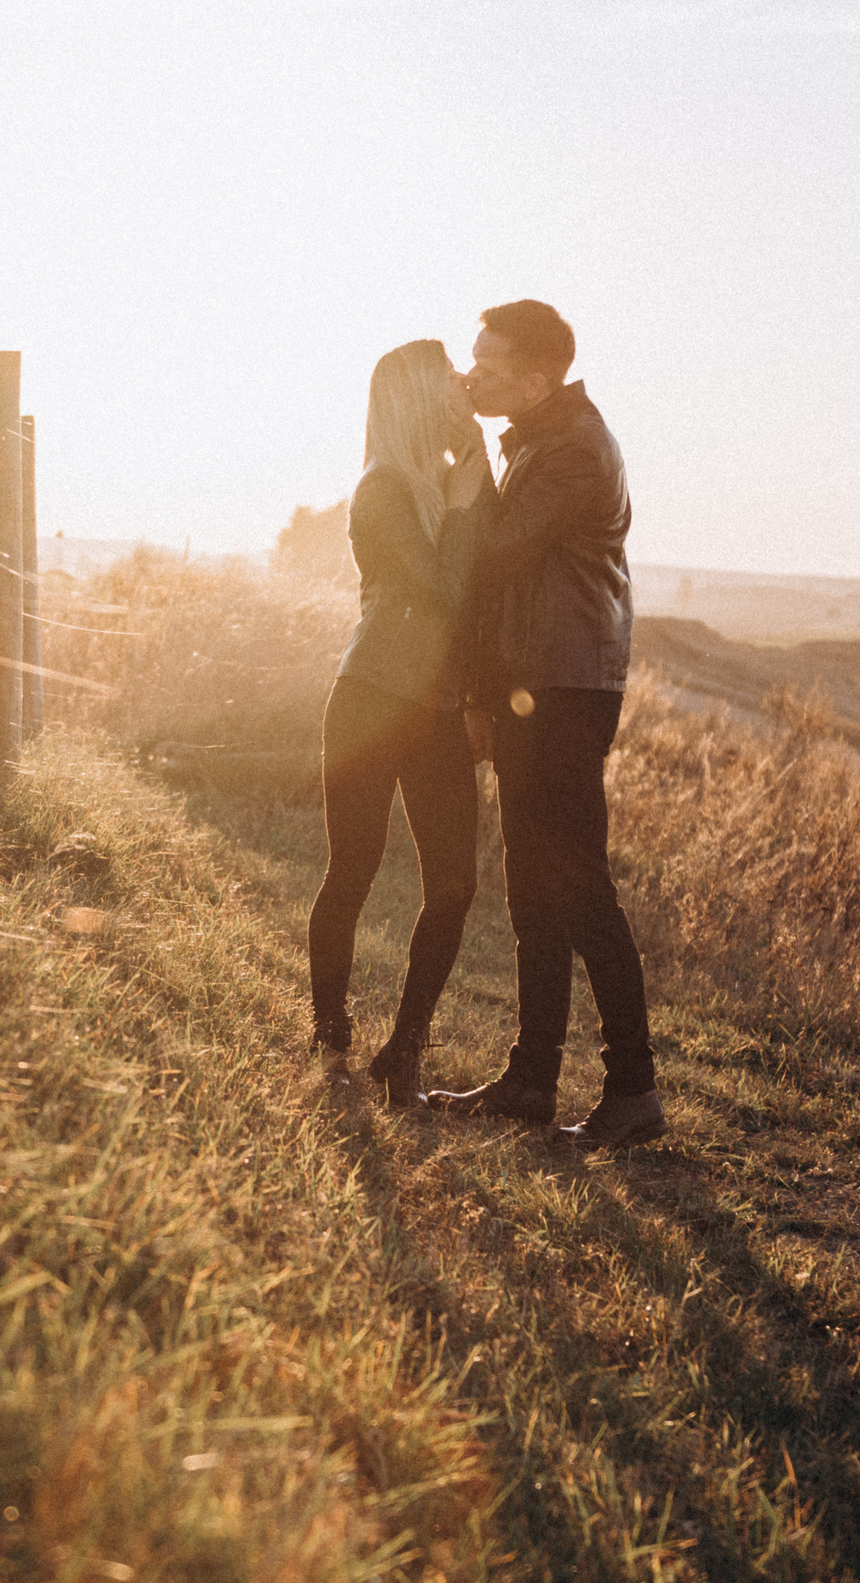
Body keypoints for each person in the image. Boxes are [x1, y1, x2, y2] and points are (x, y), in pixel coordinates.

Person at [422, 299, 664, 1148]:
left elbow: (495, 553)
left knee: (580, 885)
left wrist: (464, 451)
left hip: (566, 688)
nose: (468, 377)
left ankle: (633, 1089)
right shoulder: (540, 436)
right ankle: (531, 1079)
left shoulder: (572, 448)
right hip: (538, 683)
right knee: (534, 888)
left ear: (533, 382)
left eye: (485, 366)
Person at [308, 338, 496, 1106]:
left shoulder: (455, 482)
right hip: (371, 699)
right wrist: (463, 502)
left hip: (439, 709)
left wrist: (475, 463)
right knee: (353, 869)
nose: (463, 383)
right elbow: (445, 596)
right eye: (448, 376)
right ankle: (329, 1037)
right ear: (417, 396)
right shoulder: (380, 490)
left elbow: (490, 580)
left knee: (455, 886)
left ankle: (404, 1053)